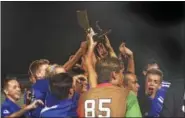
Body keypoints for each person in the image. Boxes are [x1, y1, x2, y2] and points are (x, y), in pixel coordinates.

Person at [77, 28, 141, 117]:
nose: (123, 76)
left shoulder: (84, 97)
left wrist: (90, 47)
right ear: (114, 75)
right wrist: (109, 48)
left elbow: (90, 67)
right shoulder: (127, 96)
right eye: (121, 73)